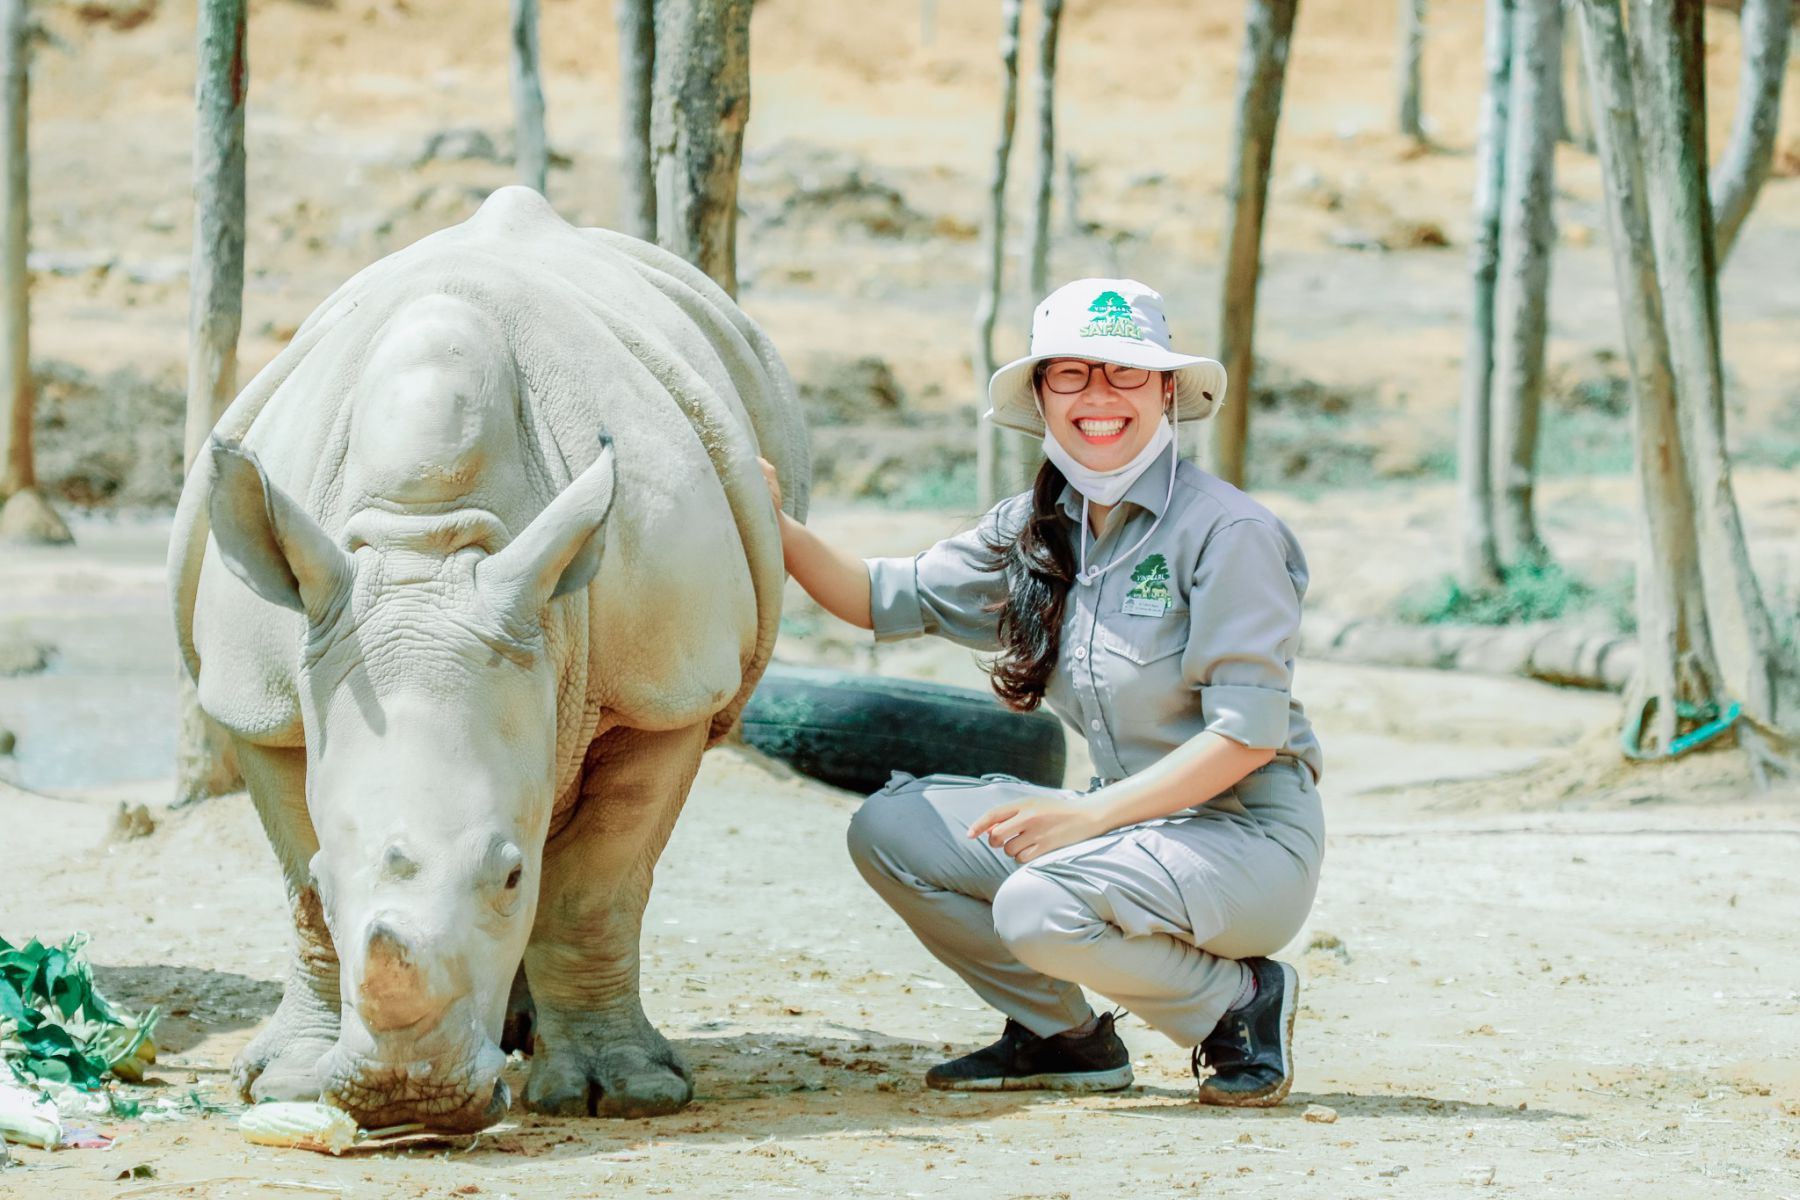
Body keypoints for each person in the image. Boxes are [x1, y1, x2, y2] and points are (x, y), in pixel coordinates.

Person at [759, 279, 1323, 1107]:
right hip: (1130, 833)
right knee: (891, 828)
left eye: (1126, 373)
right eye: (1071, 375)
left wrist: (1089, 817)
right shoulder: (1034, 526)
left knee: (1036, 905)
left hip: (1244, 844)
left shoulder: (1228, 533)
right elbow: (878, 598)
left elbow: (1243, 738)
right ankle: (1065, 1036)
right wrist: (768, 520)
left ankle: (1237, 1006)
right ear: (1039, 394)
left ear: (1168, 390)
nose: (1099, 397)